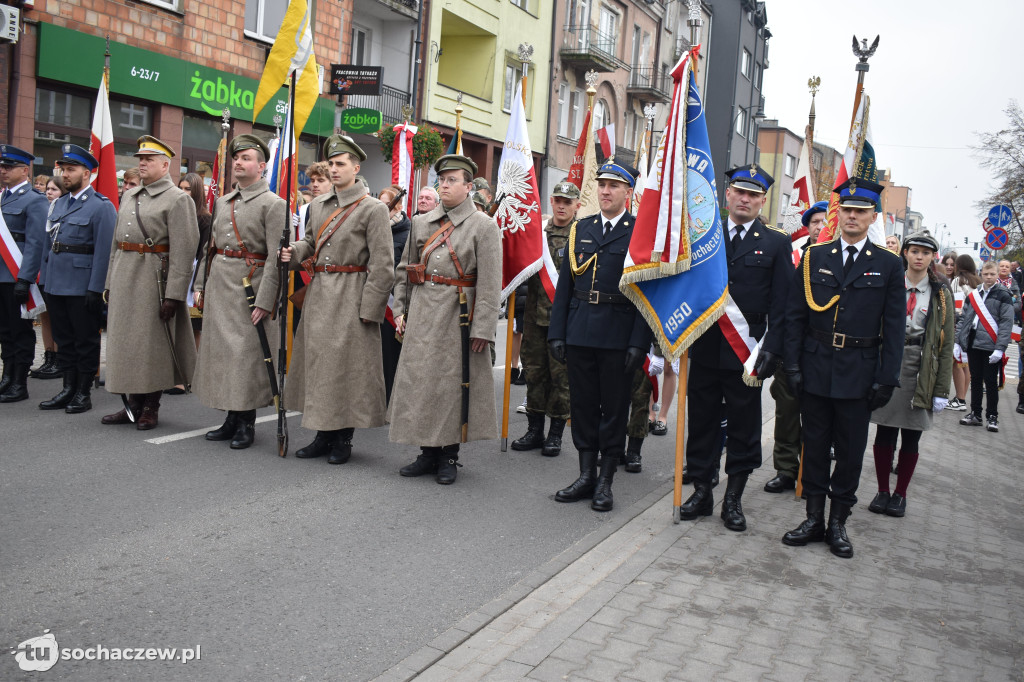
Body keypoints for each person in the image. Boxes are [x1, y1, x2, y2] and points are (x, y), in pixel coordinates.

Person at [781, 177, 905, 558]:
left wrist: (887, 377)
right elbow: (795, 316)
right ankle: (813, 518)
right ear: (840, 213)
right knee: (814, 447)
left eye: (860, 211)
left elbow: (895, 326)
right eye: (847, 209)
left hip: (859, 372)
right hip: (817, 366)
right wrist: (793, 364)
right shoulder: (817, 256)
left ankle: (838, 523)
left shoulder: (887, 264)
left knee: (850, 453)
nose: (852, 216)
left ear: (872, 217)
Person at [679, 164, 791, 531]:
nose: (745, 199)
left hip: (749, 350)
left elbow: (783, 304)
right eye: (739, 192)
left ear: (762, 201)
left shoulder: (776, 242)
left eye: (753, 194)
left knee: (744, 427)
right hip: (706, 344)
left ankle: (733, 499)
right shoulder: (703, 235)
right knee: (703, 423)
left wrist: (773, 348)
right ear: (726, 195)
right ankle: (701, 491)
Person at [280, 135, 394, 464]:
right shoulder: (317, 206)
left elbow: (383, 266)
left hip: (352, 294)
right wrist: (292, 253)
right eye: (330, 163)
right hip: (320, 294)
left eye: (340, 164)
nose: (333, 169)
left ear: (356, 169)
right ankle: (322, 433)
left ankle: (343, 437)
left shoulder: (373, 209)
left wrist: (371, 309)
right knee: (321, 368)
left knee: (347, 369)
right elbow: (311, 246)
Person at [390, 154, 501, 484]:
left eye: (453, 180)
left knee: (452, 385)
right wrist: (400, 310)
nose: (445, 185)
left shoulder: (484, 226)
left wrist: (483, 328)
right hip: (423, 311)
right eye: (442, 180)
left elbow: (490, 282)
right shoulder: (422, 222)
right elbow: (406, 270)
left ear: (469, 186)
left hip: (459, 316)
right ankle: (427, 451)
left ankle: (448, 456)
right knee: (422, 381)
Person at [548, 160, 651, 512]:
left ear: (628, 192)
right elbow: (565, 286)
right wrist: (557, 332)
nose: (605, 191)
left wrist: (640, 341)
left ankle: (606, 480)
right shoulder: (583, 228)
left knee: (614, 410)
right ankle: (585, 475)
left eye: (614, 186)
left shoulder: (638, 232)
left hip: (619, 334)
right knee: (583, 406)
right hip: (579, 330)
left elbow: (644, 293)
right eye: (602, 185)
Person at [192, 135, 285, 450]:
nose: (238, 163)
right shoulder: (223, 201)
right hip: (221, 285)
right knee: (224, 356)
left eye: (246, 158)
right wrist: (201, 285)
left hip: (250, 288)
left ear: (261, 166)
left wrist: (266, 299)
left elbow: (275, 257)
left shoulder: (274, 204)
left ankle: (246, 422)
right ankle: (230, 417)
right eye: (236, 158)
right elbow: (212, 248)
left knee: (245, 357)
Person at [101, 136, 199, 430]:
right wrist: (109, 282)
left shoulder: (178, 199)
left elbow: (185, 250)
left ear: (165, 165)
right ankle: (132, 403)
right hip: (125, 276)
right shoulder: (130, 195)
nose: (141, 164)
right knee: (126, 344)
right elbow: (116, 244)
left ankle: (150, 407)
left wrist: (174, 295)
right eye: (139, 159)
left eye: (148, 160)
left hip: (153, 280)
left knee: (151, 346)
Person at [867, 234, 954, 517]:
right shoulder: (893, 283)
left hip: (921, 366)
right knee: (884, 429)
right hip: (890, 360)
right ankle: (881, 490)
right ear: (904, 253)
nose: (919, 257)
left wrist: (942, 389)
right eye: (914, 251)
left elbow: (946, 342)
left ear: (932, 258)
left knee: (912, 435)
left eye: (925, 253)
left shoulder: (940, 292)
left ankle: (900, 493)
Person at [35, 145, 116, 413]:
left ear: (88, 173)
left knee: (85, 340)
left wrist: (96, 289)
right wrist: (45, 282)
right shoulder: (59, 204)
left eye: (71, 170)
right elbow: (49, 246)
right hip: (57, 283)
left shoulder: (100, 207)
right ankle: (67, 388)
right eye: (63, 170)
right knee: (64, 339)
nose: (65, 175)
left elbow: (105, 251)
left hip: (82, 286)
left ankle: (83, 392)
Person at [765, 200, 829, 493]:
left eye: (825, 221)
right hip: (790, 349)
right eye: (815, 222)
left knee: (818, 418)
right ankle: (786, 469)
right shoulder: (793, 258)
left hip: (822, 353)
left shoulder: (837, 260)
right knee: (787, 414)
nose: (820, 226)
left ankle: (812, 473)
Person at [511, 180, 577, 457]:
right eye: (558, 200)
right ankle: (534, 430)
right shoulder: (536, 234)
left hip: (564, 322)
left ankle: (555, 435)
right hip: (534, 319)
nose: (561, 206)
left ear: (576, 205)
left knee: (561, 379)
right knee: (535, 374)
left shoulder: (581, 235)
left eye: (567, 202)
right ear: (551, 201)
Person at [0, 144, 49, 403]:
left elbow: (35, 243)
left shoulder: (35, 199)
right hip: (0, 275)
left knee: (20, 330)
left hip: (16, 275)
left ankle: (19, 381)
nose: (3, 170)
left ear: (24, 170)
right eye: (2, 166)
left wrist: (25, 278)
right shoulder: (2, 197)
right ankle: (7, 376)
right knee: (4, 331)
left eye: (9, 167)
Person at [956, 260, 1014, 432]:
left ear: (997, 275)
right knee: (975, 380)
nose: (989, 277)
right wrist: (959, 341)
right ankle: (975, 413)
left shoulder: (1004, 295)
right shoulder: (974, 294)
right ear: (981, 274)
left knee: (990, 382)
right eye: (986, 274)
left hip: (991, 345)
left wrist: (1000, 347)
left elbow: (1006, 323)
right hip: (974, 343)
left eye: (992, 274)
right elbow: (964, 319)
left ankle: (992, 416)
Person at [29, 176, 68, 381]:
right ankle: (49, 357)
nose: (49, 192)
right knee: (45, 317)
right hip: (41, 271)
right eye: (48, 189)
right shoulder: (46, 211)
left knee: (56, 317)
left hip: (56, 273)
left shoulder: (62, 211)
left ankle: (60, 359)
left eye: (54, 189)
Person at [378, 183, 411, 403]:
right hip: (373, 299)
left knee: (391, 356)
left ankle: (391, 400)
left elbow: (404, 271)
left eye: (385, 205)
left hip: (392, 302)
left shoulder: (407, 232)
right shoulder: (374, 229)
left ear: (397, 206)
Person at [179, 172, 213, 350]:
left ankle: (193, 373)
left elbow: (203, 255)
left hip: (194, 276)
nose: (184, 192)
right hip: (177, 271)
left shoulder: (205, 219)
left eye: (188, 189)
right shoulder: (175, 213)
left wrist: (197, 286)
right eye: (181, 188)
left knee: (193, 328)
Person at [948, 255, 981, 410]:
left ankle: (960, 399)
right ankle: (961, 397)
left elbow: (957, 306)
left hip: (960, 325)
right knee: (965, 364)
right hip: (974, 326)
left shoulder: (958, 281)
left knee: (957, 363)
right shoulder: (977, 281)